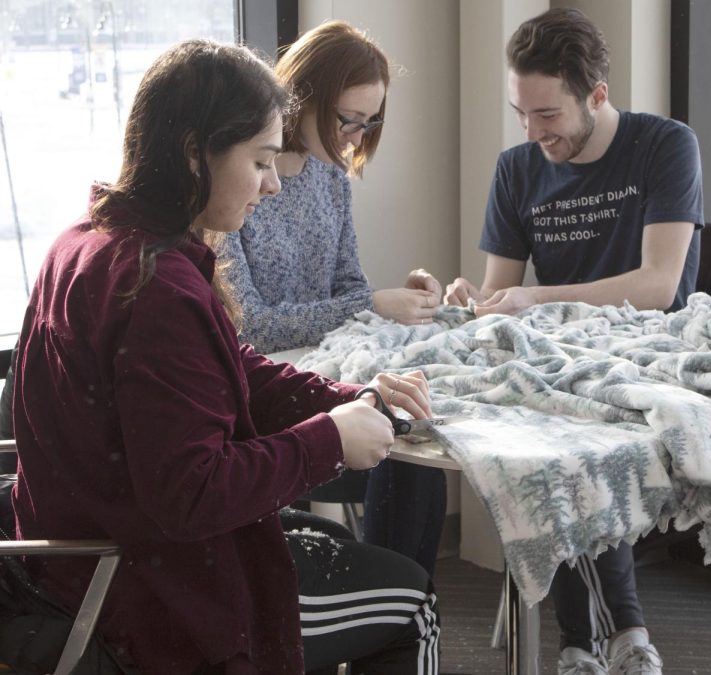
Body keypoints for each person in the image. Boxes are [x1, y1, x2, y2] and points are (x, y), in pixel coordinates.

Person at [11, 39, 440, 675]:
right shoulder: (156, 289)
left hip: (71, 557)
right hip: (149, 595)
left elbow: (226, 367)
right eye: (261, 161)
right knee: (413, 602)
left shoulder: (88, 240)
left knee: (342, 544)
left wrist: (345, 400)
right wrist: (325, 442)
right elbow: (192, 495)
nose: (271, 185)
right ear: (194, 153)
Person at [445, 8, 703, 675]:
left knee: (569, 440)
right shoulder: (516, 169)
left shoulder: (665, 145)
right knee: (547, 437)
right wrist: (470, 302)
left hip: (646, 348)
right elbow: (501, 292)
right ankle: (614, 635)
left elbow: (659, 286)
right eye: (520, 114)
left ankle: (580, 641)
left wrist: (537, 297)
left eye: (547, 116)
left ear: (597, 95)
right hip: (563, 360)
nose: (532, 133)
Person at [218, 21, 447, 577]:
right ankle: (386, 606)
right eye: (350, 119)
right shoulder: (233, 184)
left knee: (413, 431)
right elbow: (250, 328)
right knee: (399, 439)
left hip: (321, 376)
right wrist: (370, 302)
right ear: (304, 99)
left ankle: (403, 603)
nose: (356, 136)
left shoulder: (331, 179)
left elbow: (349, 287)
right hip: (264, 398)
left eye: (371, 124)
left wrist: (396, 297)